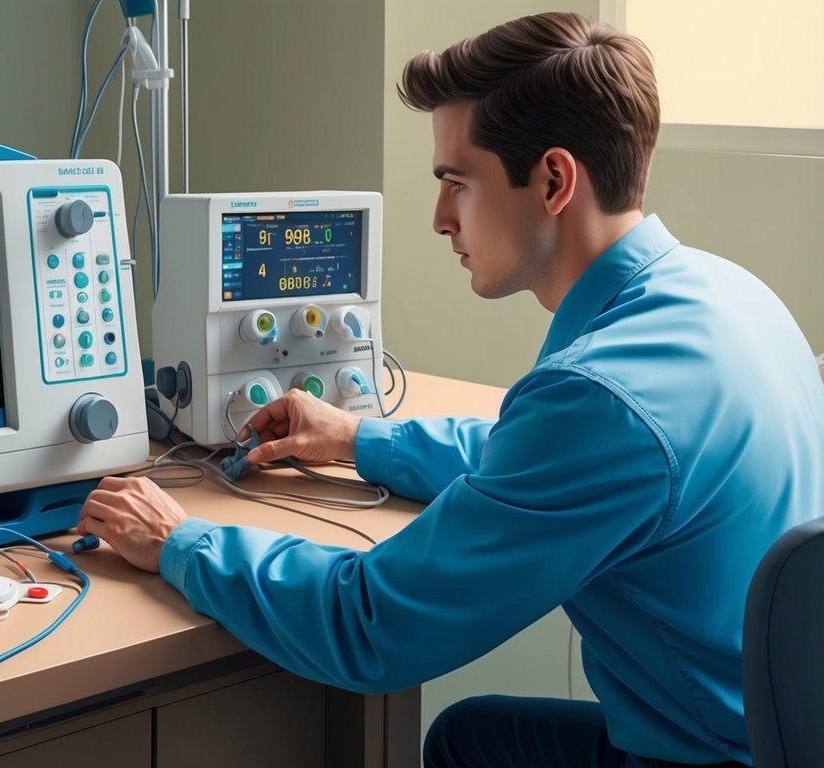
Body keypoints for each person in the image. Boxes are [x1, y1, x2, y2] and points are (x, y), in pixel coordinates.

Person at [78, 11, 824, 768]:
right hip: (775, 732)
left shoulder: (599, 400)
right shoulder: (733, 296)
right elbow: (533, 463)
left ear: (555, 180)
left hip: (707, 756)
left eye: (455, 184)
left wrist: (178, 541)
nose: (439, 219)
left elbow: (368, 625)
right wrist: (357, 438)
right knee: (469, 739)